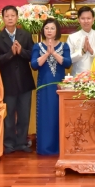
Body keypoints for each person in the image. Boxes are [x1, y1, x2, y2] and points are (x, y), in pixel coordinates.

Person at [0, 5, 35, 154]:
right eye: (7, 16)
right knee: (8, 116)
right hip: (6, 82)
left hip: (24, 81)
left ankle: (22, 142)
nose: (10, 18)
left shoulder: (26, 35)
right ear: (3, 18)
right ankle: (8, 143)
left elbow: (32, 55)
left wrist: (21, 51)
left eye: (12, 15)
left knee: (24, 114)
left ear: (17, 17)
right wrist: (11, 53)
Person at [31, 18, 71, 155]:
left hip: (59, 89)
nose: (49, 31)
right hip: (44, 88)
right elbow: (35, 65)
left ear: (57, 31)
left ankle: (60, 148)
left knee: (58, 117)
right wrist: (47, 53)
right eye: (47, 28)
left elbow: (67, 63)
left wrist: (54, 53)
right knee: (45, 117)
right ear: (43, 30)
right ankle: (44, 149)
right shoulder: (37, 46)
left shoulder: (64, 46)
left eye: (52, 28)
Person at [67, 6, 95, 74]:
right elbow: (68, 59)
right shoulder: (72, 37)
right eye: (83, 18)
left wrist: (92, 51)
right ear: (78, 20)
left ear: (93, 19)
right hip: (77, 76)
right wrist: (82, 51)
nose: (86, 21)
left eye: (88, 18)